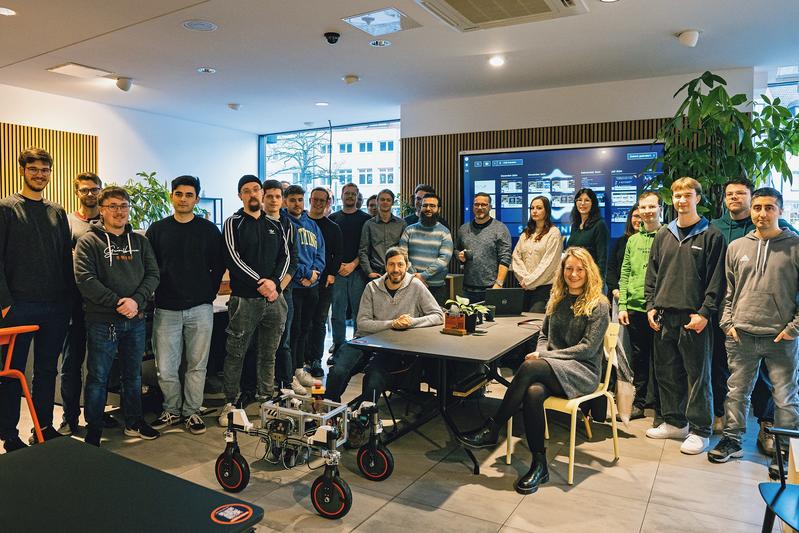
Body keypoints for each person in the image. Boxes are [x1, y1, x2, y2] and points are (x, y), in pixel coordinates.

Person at [459, 247, 610, 495]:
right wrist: (542, 351)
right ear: (562, 271)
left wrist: (544, 355)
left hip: (582, 372)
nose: (573, 274)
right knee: (533, 392)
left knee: (530, 365)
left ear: (589, 271)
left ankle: (493, 428)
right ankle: (540, 464)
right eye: (569, 268)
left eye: (579, 269)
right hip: (553, 367)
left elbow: (586, 349)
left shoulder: (599, 304)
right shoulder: (557, 297)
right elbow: (543, 335)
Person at [708, 187, 799, 476]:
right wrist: (727, 323)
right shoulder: (737, 248)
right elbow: (729, 291)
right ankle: (732, 440)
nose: (762, 213)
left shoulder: (795, 246)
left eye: (769, 207)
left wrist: (793, 329)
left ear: (780, 211)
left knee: (785, 397)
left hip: (780, 337)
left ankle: (785, 453)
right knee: (737, 392)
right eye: (758, 207)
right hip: (741, 335)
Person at [644, 177, 726, 455]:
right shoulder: (664, 235)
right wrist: (651, 306)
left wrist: (705, 313)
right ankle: (675, 422)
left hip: (695, 319)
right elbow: (652, 275)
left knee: (698, 377)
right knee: (667, 374)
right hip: (664, 317)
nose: (681, 200)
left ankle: (700, 430)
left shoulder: (711, 235)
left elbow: (717, 280)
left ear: (697, 199)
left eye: (687, 195)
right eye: (677, 196)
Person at [75, 186, 161, 446]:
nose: (119, 211)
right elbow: (85, 279)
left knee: (132, 374)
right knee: (98, 376)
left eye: (123, 206)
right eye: (112, 206)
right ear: (101, 210)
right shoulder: (89, 241)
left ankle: (133, 422)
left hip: (134, 320)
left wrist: (135, 301)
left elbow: (153, 275)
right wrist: (117, 303)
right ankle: (94, 427)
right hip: (102, 321)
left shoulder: (140, 241)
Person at [0, 147, 72, 451]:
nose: (39, 175)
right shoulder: (6, 208)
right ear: (22, 171)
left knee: (46, 371)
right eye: (34, 169)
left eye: (45, 170)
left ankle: (42, 428)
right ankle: (8, 433)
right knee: (11, 373)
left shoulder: (57, 211)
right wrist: (6, 304)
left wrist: (67, 301)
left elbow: (64, 260)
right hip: (19, 306)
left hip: (55, 306)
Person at [146, 176, 224, 435]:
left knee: (196, 365)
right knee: (166, 367)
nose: (183, 199)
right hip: (166, 307)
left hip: (200, 308)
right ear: (172, 196)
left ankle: (191, 411)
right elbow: (150, 267)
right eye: (178, 194)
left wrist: (209, 293)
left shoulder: (209, 230)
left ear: (196, 199)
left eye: (189, 195)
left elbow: (218, 266)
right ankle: (171, 409)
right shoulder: (157, 230)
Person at [324, 247, 444, 403]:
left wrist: (411, 322)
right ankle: (329, 413)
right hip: (365, 340)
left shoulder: (416, 286)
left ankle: (364, 418)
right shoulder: (372, 287)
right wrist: (392, 323)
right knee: (337, 371)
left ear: (407, 266)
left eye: (400, 265)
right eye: (391, 265)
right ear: (386, 266)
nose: (396, 269)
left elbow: (438, 316)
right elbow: (362, 323)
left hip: (393, 346)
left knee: (374, 379)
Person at [217, 175, 288, 426]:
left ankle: (266, 399)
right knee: (235, 353)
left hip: (274, 301)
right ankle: (230, 402)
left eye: (256, 189)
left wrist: (275, 284)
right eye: (246, 191)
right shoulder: (233, 223)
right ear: (240, 196)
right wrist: (263, 283)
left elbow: (286, 258)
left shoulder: (275, 224)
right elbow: (233, 259)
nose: (252, 194)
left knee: (269, 353)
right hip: (244, 300)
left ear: (262, 192)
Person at [59, 172, 114, 436]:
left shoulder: (111, 223)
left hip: (103, 307)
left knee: (101, 365)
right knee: (72, 364)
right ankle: (69, 417)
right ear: (76, 192)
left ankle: (97, 414)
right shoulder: (67, 222)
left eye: (95, 189)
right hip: (73, 306)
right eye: (85, 190)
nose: (90, 194)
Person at [618, 192, 661, 421]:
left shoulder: (667, 236)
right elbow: (625, 273)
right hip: (635, 309)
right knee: (640, 358)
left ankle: (662, 407)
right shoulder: (633, 240)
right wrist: (623, 305)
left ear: (660, 208)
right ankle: (640, 403)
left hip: (660, 310)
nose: (647, 211)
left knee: (663, 360)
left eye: (651, 206)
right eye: (643, 207)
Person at [260, 180, 301, 395]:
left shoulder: (289, 226)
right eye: (270, 196)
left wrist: (277, 288)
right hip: (258, 292)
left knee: (283, 341)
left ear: (282, 200)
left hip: (283, 292)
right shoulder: (255, 222)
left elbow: (292, 261)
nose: (274, 200)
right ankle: (259, 387)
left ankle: (285, 382)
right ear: (262, 198)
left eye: (278, 197)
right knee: (257, 345)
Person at [284, 185, 325, 384]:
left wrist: (315, 274)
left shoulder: (312, 225)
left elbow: (321, 252)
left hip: (312, 286)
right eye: (292, 200)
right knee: (293, 331)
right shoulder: (284, 223)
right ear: (285, 201)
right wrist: (305, 274)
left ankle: (300, 369)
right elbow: (288, 256)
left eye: (300, 199)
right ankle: (290, 373)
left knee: (305, 329)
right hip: (294, 286)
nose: (297, 203)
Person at [329, 183, 371, 356]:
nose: (350, 197)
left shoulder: (365, 219)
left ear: (357, 197)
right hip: (338, 271)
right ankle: (338, 346)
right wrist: (337, 265)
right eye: (347, 193)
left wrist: (353, 264)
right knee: (337, 312)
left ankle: (357, 347)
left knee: (358, 312)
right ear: (341, 195)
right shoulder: (332, 218)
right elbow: (328, 247)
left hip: (358, 270)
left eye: (353, 194)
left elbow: (366, 247)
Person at [306, 187, 342, 376]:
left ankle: (315, 360)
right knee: (303, 322)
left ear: (328, 202)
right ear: (310, 200)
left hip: (324, 282)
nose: (318, 203)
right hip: (303, 281)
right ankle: (302, 360)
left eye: (322, 200)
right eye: (315, 200)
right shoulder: (300, 223)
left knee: (319, 322)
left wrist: (332, 274)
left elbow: (338, 254)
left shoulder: (332, 227)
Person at [456, 192, 512, 304]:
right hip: (467, 290)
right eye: (476, 205)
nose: (479, 208)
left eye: (484, 205)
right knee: (469, 321)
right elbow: (456, 250)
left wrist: (499, 284)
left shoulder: (500, 228)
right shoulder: (463, 229)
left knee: (493, 321)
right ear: (473, 206)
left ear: (490, 207)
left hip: (491, 288)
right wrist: (459, 255)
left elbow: (505, 258)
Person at [398, 193, 453, 304]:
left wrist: (423, 276)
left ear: (439, 209)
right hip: (410, 284)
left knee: (435, 320)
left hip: (436, 288)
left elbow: (444, 259)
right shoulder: (409, 230)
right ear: (420, 207)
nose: (428, 209)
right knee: (410, 319)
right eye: (425, 205)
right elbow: (402, 256)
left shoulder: (444, 232)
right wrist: (415, 277)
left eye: (432, 206)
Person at [512, 195, 563, 312]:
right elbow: (516, 257)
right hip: (524, 287)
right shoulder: (526, 233)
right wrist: (524, 278)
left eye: (539, 208)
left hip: (544, 288)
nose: (534, 211)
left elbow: (549, 264)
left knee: (535, 324)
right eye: (532, 208)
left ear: (547, 210)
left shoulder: (553, 233)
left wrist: (530, 281)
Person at [359, 189, 406, 280]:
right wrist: (369, 272)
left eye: (388, 200)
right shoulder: (369, 224)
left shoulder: (401, 224)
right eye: (382, 199)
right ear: (377, 201)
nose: (385, 202)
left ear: (393, 203)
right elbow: (363, 251)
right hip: (376, 272)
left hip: (396, 271)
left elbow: (405, 250)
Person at [566, 188, 609, 281]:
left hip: (591, 278)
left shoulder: (599, 225)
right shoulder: (575, 225)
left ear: (593, 203)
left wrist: (599, 281)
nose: (582, 203)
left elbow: (602, 258)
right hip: (574, 277)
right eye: (579, 200)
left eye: (587, 200)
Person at [607, 204, 640, 303]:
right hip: (618, 295)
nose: (638, 220)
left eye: (641, 216)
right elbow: (610, 269)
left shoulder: (654, 240)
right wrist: (616, 291)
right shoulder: (620, 242)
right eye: (635, 216)